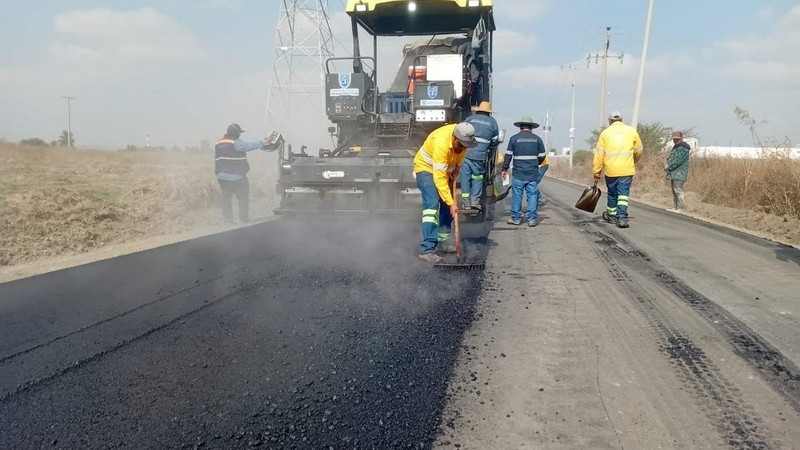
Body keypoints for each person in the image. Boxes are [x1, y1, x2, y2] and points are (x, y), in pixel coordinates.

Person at [414, 122, 478, 263]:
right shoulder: (441, 143)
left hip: (444, 170)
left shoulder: (464, 141)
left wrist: (457, 166)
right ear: (454, 138)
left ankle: (442, 243)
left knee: (446, 208)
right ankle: (427, 249)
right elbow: (439, 179)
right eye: (460, 145)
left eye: (465, 146)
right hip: (426, 169)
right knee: (432, 205)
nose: (463, 148)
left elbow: (461, 154)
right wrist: (451, 203)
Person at [592, 111, 643, 228]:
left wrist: (597, 171)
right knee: (623, 194)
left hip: (611, 170)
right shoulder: (631, 131)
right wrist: (633, 160)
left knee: (612, 193)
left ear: (610, 121)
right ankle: (622, 218)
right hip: (626, 169)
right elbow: (639, 150)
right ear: (621, 120)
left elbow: (599, 154)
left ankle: (611, 215)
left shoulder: (605, 133)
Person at [214, 123, 272, 224]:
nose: (240, 135)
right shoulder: (236, 143)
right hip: (237, 177)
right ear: (236, 133)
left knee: (226, 199)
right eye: (239, 133)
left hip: (222, 177)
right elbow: (250, 146)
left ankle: (228, 220)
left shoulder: (218, 143)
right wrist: (265, 141)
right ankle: (243, 219)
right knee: (243, 197)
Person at [501, 117, 546, 227]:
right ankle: (532, 219)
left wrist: (504, 169)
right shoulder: (538, 139)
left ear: (520, 127)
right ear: (532, 127)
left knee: (517, 196)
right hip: (532, 173)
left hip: (518, 173)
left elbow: (508, 156)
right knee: (532, 196)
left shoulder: (514, 139)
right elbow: (542, 157)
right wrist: (534, 163)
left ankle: (516, 218)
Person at [460, 101, 500, 211]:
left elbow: (460, 132)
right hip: (480, 155)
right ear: (489, 112)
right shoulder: (492, 123)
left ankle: (466, 203)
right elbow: (495, 140)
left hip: (465, 154)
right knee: (477, 178)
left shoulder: (469, 119)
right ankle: (475, 202)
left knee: (465, 177)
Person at [665, 131, 691, 211]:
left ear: (681, 138)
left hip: (679, 172)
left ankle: (680, 207)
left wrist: (668, 166)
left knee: (678, 190)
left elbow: (677, 161)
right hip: (674, 172)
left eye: (677, 139)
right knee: (674, 190)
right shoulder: (676, 146)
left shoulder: (683, 148)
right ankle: (675, 206)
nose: (675, 140)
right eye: (674, 139)